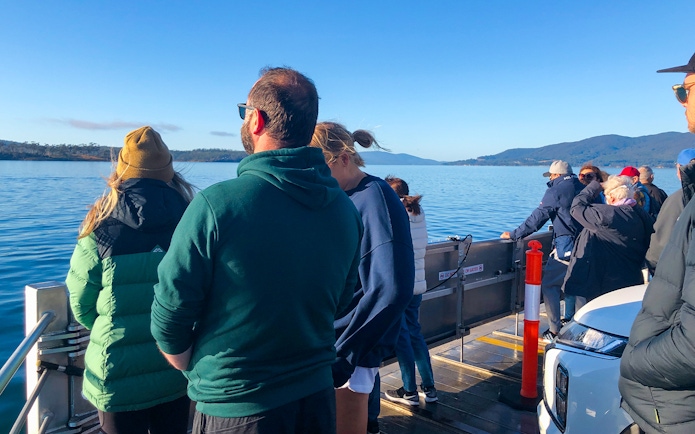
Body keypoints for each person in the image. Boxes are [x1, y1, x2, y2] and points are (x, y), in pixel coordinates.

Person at [150, 68, 363, 434]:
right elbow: (343, 302)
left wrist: (189, 363)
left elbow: (170, 314)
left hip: (237, 408)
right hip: (316, 400)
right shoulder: (345, 210)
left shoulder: (217, 205)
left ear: (256, 119)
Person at [66, 126, 195, 434]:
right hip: (175, 366)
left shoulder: (99, 224)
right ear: (168, 170)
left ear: (122, 168)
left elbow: (81, 303)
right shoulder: (193, 218)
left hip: (116, 373)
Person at [309, 122, 413, 434]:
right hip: (329, 343)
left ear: (343, 158)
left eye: (318, 168)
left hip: (346, 351)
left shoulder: (375, 199)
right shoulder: (342, 195)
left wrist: (345, 357)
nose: (313, 177)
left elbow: (391, 289)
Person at [620, 51, 695, 434]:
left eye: (686, 90)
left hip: (677, 409)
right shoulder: (677, 195)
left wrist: (633, 360)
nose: (681, 103)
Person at [500, 160, 584, 340]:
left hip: (567, 245)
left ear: (556, 175)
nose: (550, 178)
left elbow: (538, 217)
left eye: (551, 175)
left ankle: (554, 330)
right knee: (581, 287)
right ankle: (583, 330)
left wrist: (515, 234)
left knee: (550, 285)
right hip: (588, 244)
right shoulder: (583, 187)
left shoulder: (556, 190)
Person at [382, 176, 438, 409]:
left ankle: (409, 391)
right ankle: (429, 388)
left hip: (400, 283)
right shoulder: (417, 212)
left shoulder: (395, 213)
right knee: (415, 334)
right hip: (417, 283)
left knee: (402, 337)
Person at [562, 175, 653, 310]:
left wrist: (595, 187)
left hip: (602, 282)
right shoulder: (641, 215)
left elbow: (576, 207)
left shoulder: (606, 215)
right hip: (630, 277)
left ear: (611, 198)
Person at [644, 149, 695, 275]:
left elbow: (662, 239)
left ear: (680, 170)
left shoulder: (678, 200)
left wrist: (651, 262)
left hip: (684, 271)